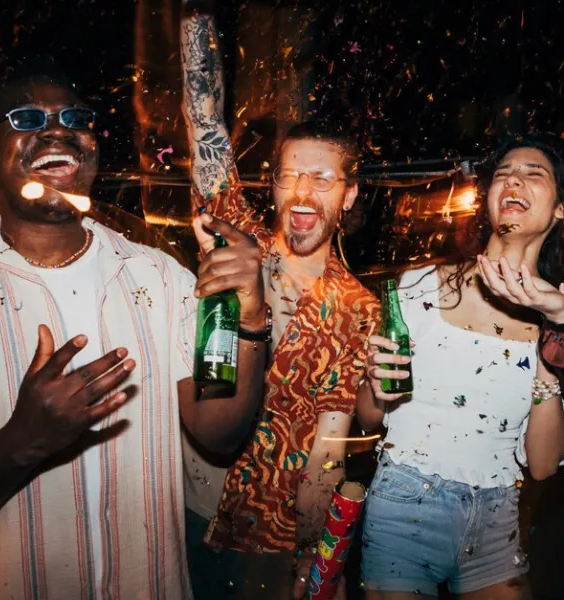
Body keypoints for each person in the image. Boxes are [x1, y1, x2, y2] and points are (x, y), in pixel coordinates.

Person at [0, 58, 270, 599]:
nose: (58, 129)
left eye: (74, 117)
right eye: (28, 119)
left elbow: (217, 431)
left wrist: (249, 320)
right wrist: (25, 441)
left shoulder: (158, 275)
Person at [358, 136, 564, 599]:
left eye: (534, 173)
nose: (514, 178)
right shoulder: (419, 286)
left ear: (559, 209)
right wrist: (376, 384)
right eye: (503, 173)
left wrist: (555, 349)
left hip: (498, 515)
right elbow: (369, 417)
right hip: (404, 501)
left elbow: (541, 465)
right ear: (489, 199)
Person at [179, 5, 379, 598]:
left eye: (323, 179)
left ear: (348, 196)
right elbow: (205, 125)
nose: (303, 191)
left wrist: (315, 566)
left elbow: (331, 448)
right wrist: (194, 18)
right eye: (291, 175)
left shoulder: (357, 309)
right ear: (273, 185)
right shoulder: (236, 242)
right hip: (189, 513)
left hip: (270, 543)